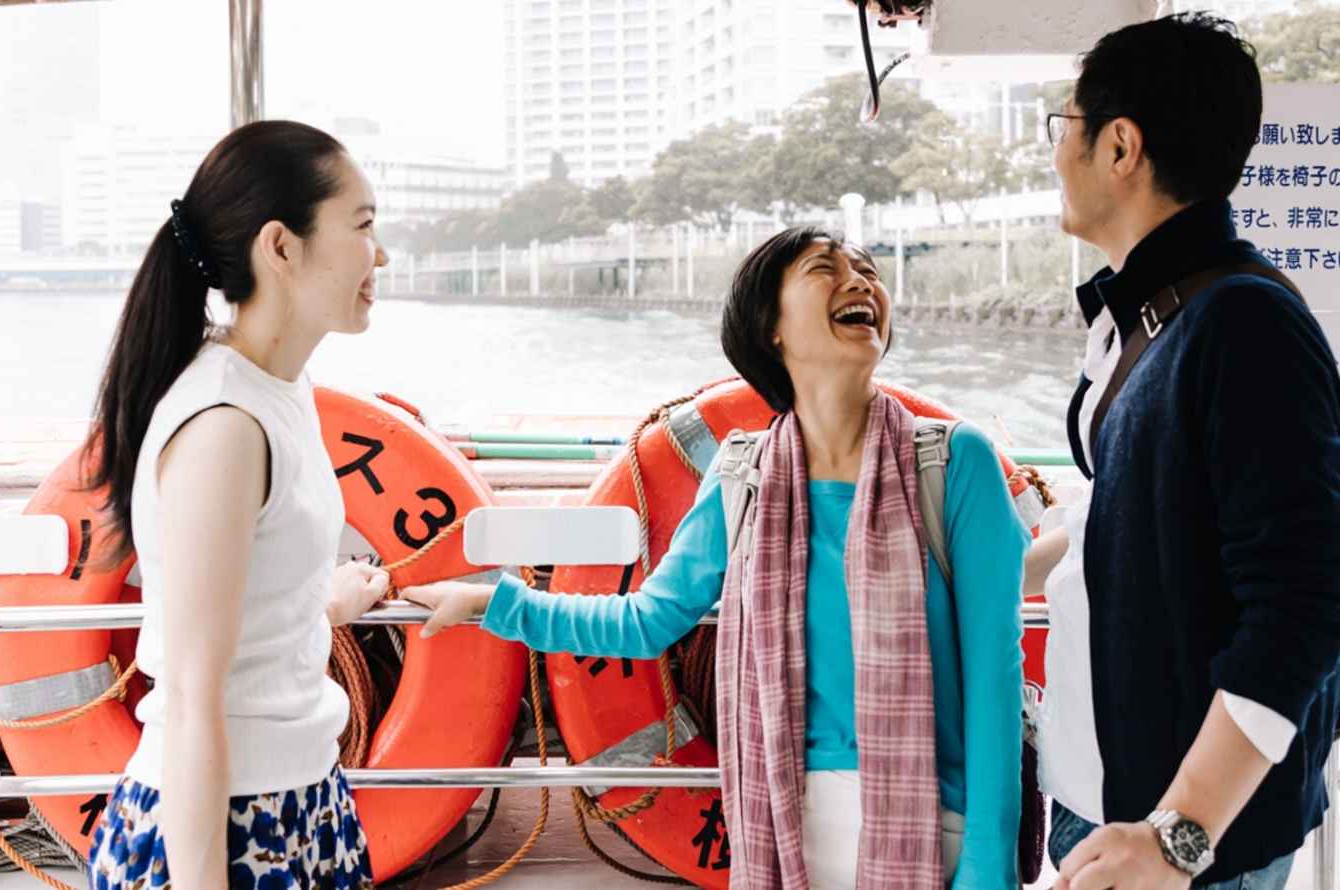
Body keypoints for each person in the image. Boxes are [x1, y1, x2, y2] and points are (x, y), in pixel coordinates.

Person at [407, 226, 1028, 889]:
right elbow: (648, 621)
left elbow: (995, 678)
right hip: (780, 826)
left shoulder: (956, 463)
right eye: (826, 268)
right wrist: (495, 602)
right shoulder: (740, 477)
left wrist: (987, 869)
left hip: (933, 823)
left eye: (869, 270)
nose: (861, 283)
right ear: (772, 329)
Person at [1026, 13, 1340, 889]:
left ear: (1120, 146)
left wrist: (1178, 837)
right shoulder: (1151, 316)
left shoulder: (1244, 325)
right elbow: (1127, 517)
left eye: (1067, 128)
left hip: (1183, 841)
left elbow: (1304, 603)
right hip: (1105, 801)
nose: (1056, 155)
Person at [81, 120, 390, 890]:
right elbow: (188, 696)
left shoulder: (280, 391)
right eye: (362, 226)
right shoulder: (223, 425)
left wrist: (320, 608)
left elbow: (240, 605)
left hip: (303, 802)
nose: (379, 254)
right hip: (223, 826)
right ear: (281, 247)